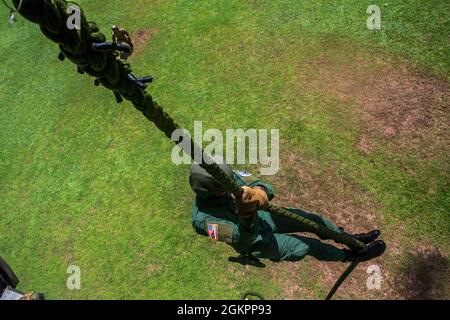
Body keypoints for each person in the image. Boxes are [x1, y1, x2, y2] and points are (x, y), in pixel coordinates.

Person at [189, 164, 386, 263]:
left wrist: (261, 193)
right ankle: (348, 256)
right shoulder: (203, 221)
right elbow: (240, 237)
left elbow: (262, 185)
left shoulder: (225, 174)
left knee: (312, 220)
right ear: (215, 191)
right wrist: (246, 217)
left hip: (264, 217)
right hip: (258, 241)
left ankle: (348, 238)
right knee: (307, 246)